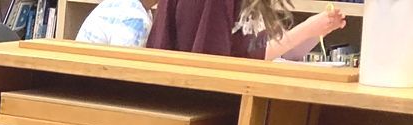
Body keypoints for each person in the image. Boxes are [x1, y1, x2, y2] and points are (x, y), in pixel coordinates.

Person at [146, 0, 347, 61]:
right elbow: (213, 64)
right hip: (202, 103)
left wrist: (313, 31)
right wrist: (306, 29)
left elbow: (266, 50)